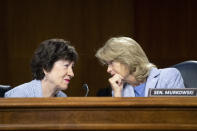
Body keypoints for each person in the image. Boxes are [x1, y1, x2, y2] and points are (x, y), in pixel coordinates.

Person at [95, 36, 185, 97]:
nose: (108, 69)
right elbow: (118, 122)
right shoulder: (118, 88)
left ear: (127, 59)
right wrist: (117, 95)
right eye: (107, 64)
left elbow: (180, 115)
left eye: (111, 63)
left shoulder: (169, 76)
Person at [5, 38, 78, 97]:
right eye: (66, 66)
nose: (71, 74)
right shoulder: (18, 95)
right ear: (46, 68)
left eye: (72, 67)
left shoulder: (63, 97)